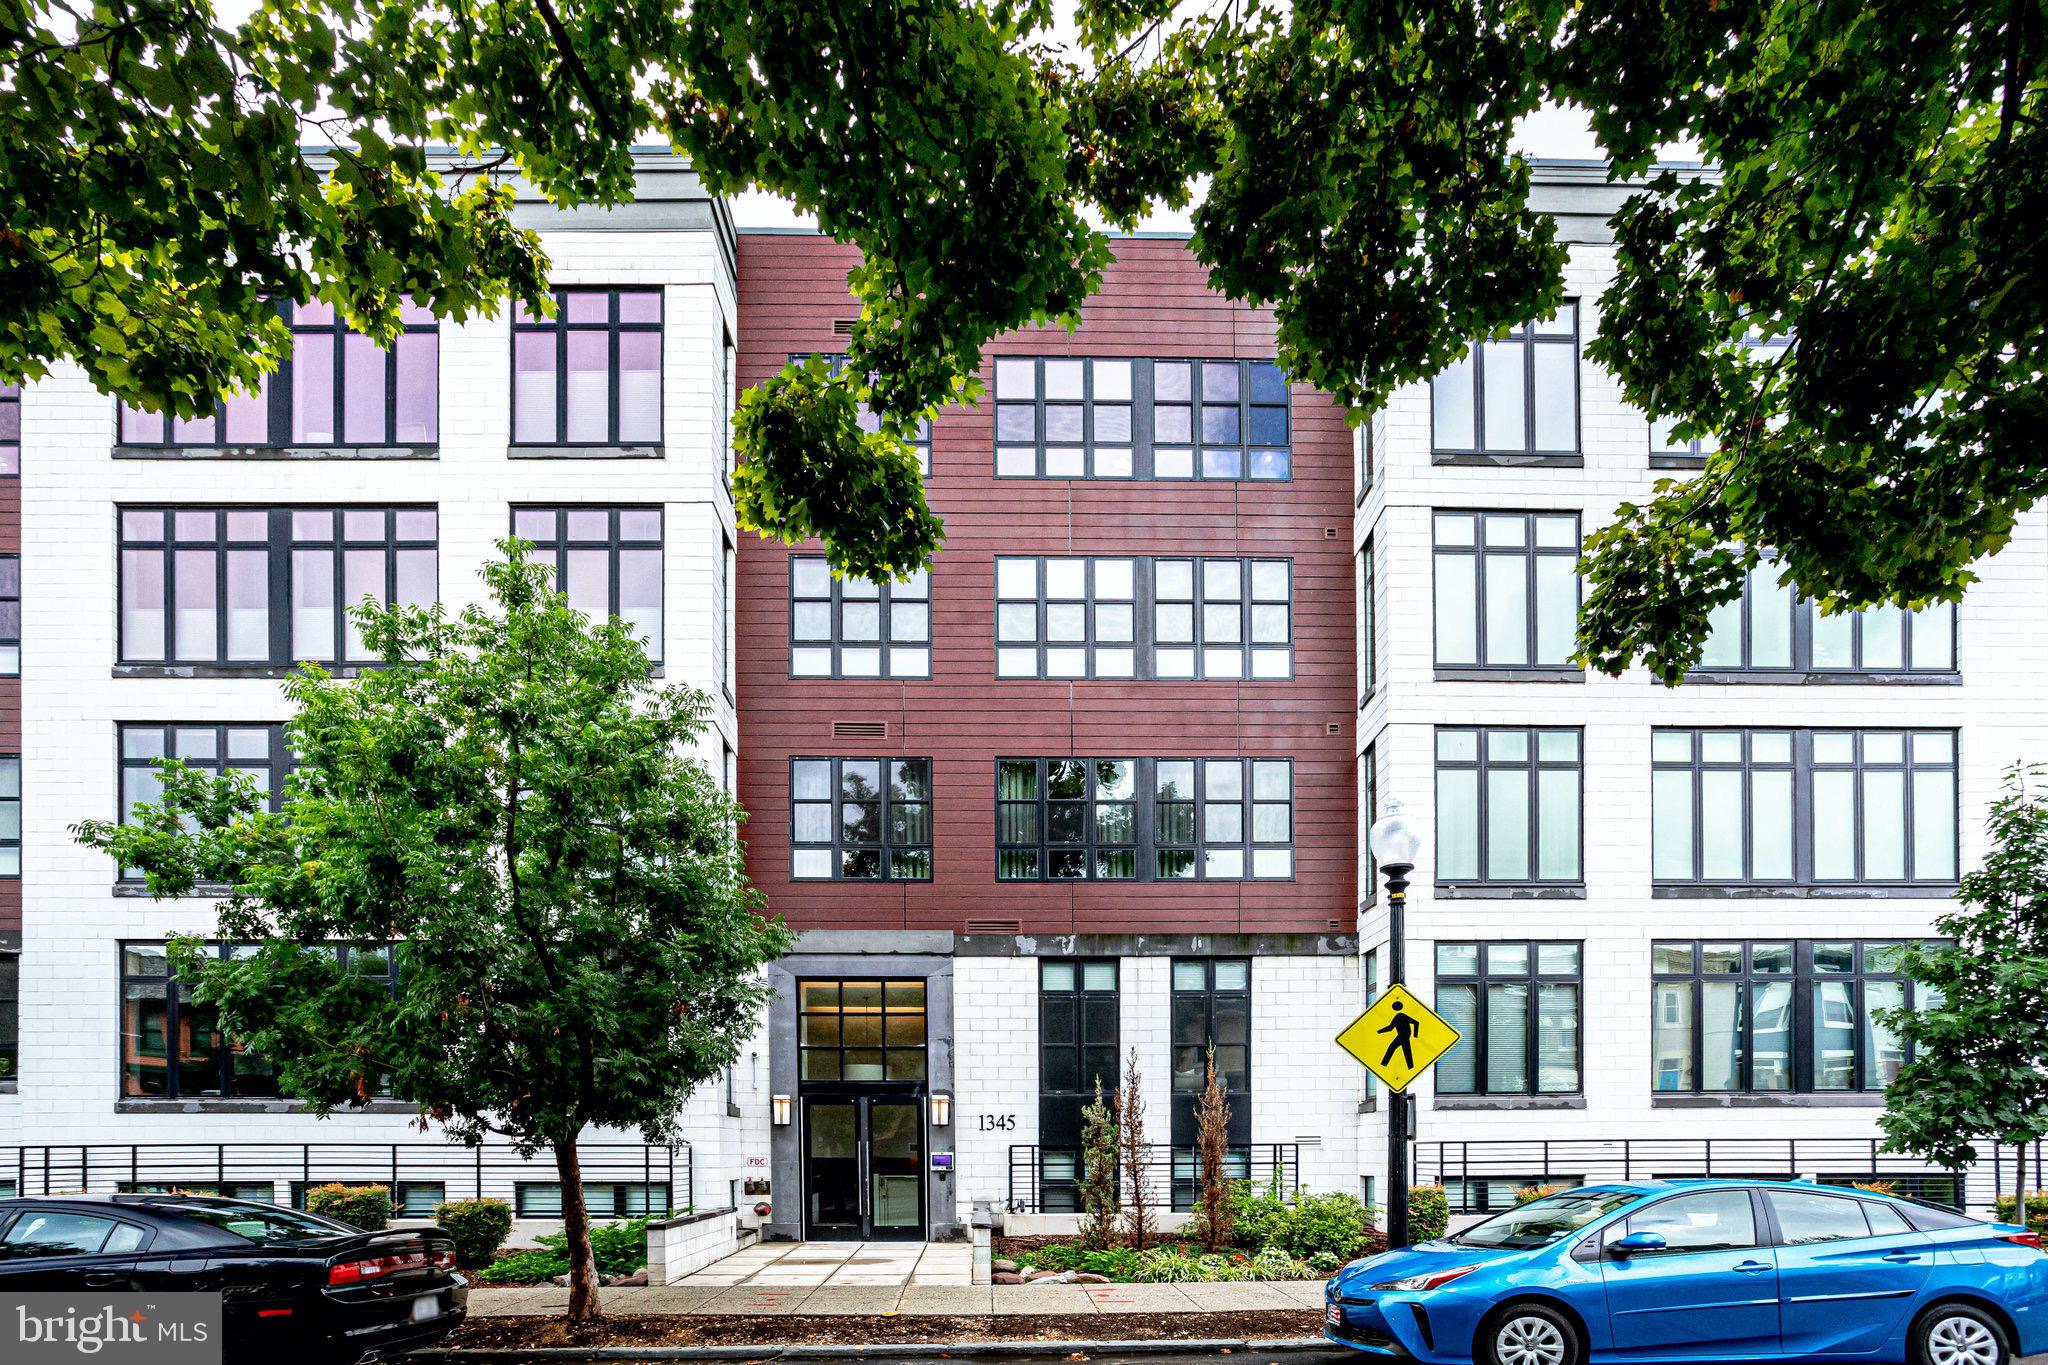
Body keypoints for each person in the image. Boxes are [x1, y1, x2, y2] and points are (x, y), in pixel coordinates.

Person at [1379, 1000, 1420, 1070]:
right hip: (1405, 1035)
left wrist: (1415, 1035)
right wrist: (1379, 1031)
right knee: (1407, 1051)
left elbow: (1416, 1023)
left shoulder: (1400, 1015)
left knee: (1392, 1047)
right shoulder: (1398, 1016)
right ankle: (1411, 1067)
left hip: (1403, 1035)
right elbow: (1390, 1028)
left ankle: (1383, 1064)